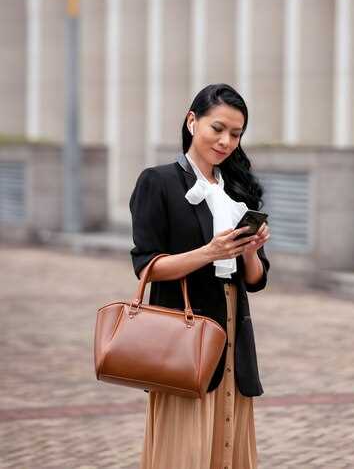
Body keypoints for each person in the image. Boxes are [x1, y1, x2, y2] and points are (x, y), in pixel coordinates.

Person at [129, 83, 271, 469]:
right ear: (192, 121)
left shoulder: (237, 190)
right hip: (183, 335)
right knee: (183, 452)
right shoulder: (157, 182)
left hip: (233, 334)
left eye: (236, 134)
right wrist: (209, 252)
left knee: (229, 449)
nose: (226, 141)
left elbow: (255, 281)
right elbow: (148, 266)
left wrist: (251, 249)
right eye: (218, 128)